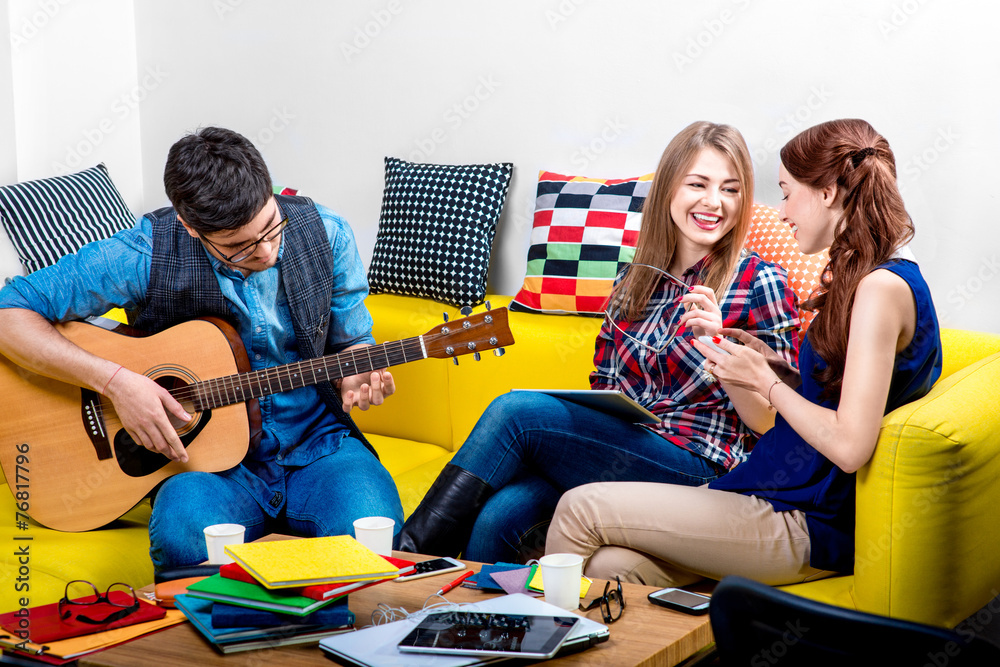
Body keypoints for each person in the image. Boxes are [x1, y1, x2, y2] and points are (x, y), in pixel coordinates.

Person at [545, 118, 942, 587]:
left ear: (828, 193)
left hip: (809, 516)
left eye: (786, 192)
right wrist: (750, 359)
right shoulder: (870, 277)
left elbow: (851, 446)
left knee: (580, 506)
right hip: (778, 489)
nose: (781, 212)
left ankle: (538, 646)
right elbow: (837, 396)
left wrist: (768, 382)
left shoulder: (880, 287)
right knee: (611, 568)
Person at [0, 127, 403, 571]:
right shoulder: (146, 251)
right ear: (190, 227)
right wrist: (116, 384)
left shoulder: (327, 232)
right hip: (201, 466)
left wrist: (356, 371)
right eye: (239, 247)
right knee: (183, 540)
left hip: (319, 445)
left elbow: (352, 341)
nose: (266, 251)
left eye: (272, 227)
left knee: (375, 537)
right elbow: (9, 312)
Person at [398, 121, 800, 563]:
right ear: (668, 188)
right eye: (698, 184)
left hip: (699, 464)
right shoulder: (634, 281)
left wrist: (719, 346)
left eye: (731, 189)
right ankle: (478, 623)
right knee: (500, 518)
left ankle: (406, 563)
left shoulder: (760, 282)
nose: (713, 202)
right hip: (621, 449)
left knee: (515, 412)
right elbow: (603, 385)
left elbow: (769, 423)